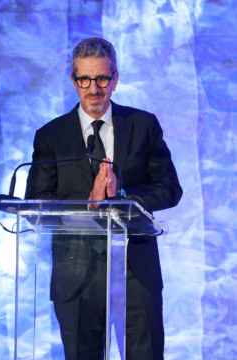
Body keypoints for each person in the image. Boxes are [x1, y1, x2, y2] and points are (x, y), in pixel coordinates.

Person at [25, 38, 182, 359]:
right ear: (73, 80)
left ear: (115, 80)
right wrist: (89, 203)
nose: (93, 89)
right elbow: (37, 204)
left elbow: (169, 188)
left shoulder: (142, 124)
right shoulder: (50, 136)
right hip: (76, 273)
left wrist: (120, 198)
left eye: (102, 79)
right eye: (84, 79)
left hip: (135, 270)